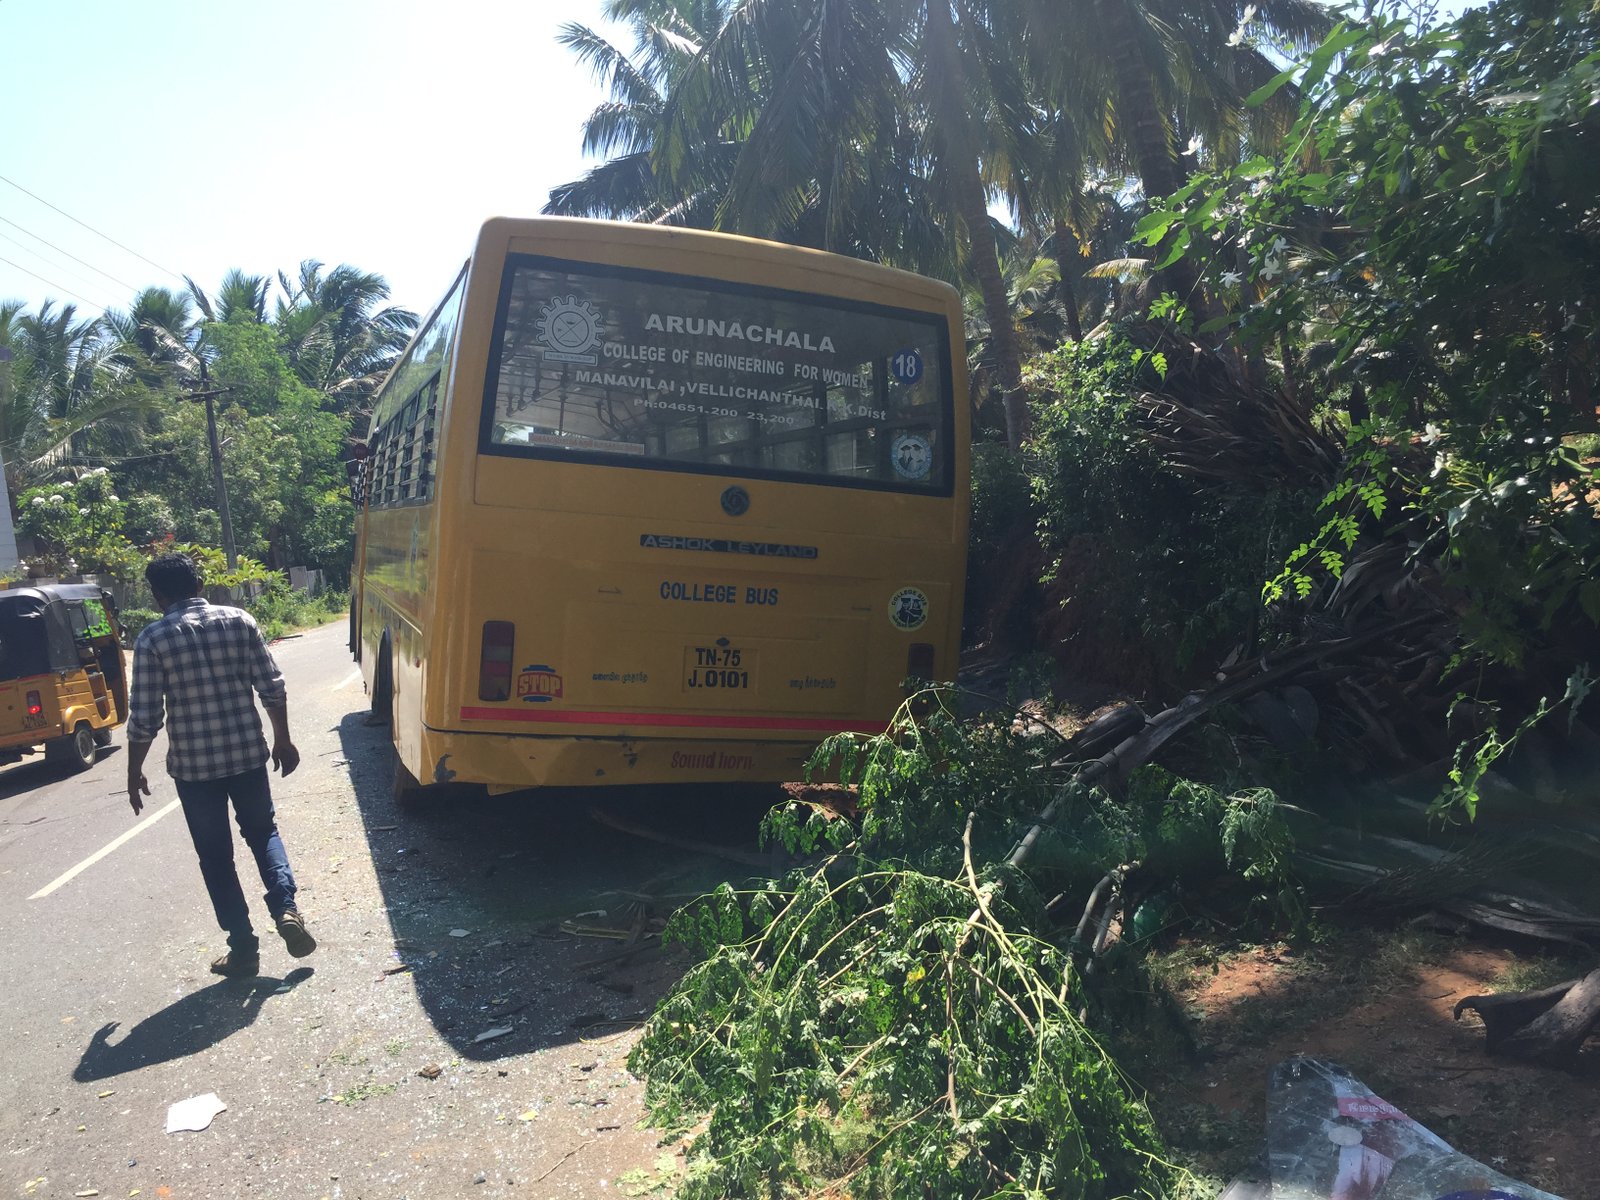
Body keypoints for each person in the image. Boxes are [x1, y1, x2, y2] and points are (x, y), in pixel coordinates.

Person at [125, 552, 316, 977]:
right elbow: (272, 685)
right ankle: (285, 908)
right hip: (248, 755)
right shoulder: (239, 621)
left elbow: (145, 717)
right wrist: (282, 737)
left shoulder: (153, 639)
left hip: (194, 771)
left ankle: (244, 950)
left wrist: (134, 769)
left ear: (157, 595)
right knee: (263, 833)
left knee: (215, 858)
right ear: (199, 584)